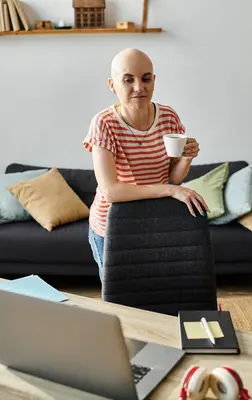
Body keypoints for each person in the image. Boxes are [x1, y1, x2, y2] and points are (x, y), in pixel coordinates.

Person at [82, 48, 208, 281]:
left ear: (154, 81)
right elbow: (111, 192)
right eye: (128, 80)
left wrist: (186, 158)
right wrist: (171, 190)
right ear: (112, 85)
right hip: (111, 226)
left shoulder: (169, 116)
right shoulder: (104, 123)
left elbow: (174, 177)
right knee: (119, 299)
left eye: (146, 78)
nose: (139, 87)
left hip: (153, 221)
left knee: (152, 293)